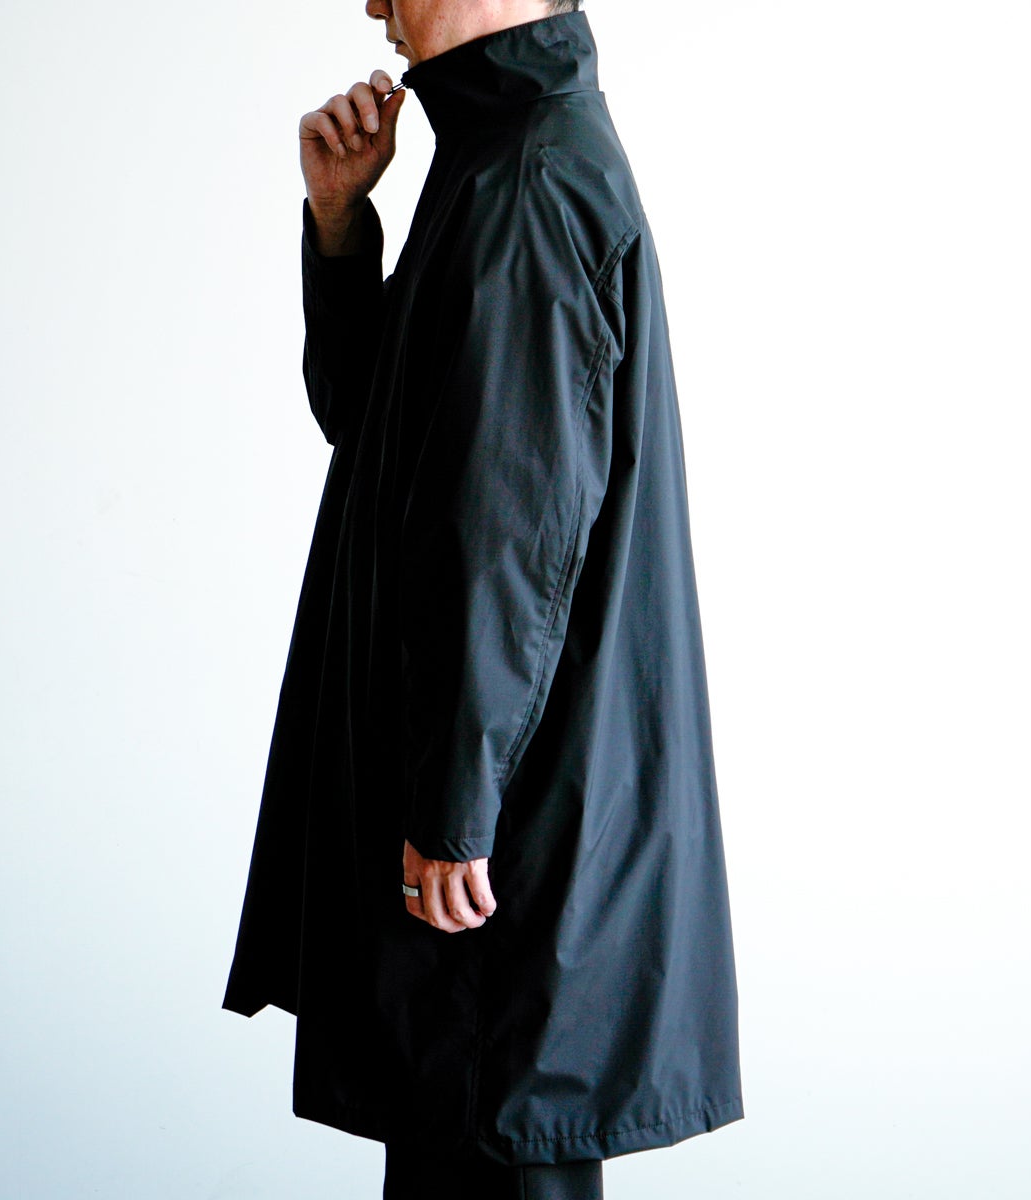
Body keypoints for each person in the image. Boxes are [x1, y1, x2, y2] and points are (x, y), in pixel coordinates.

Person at [223, 1, 742, 1195]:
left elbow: (514, 529)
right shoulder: (499, 159)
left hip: (502, 834)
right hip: (499, 808)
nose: (373, 4)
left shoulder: (531, 181)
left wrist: (456, 802)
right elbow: (376, 437)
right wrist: (341, 226)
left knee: (492, 1148)